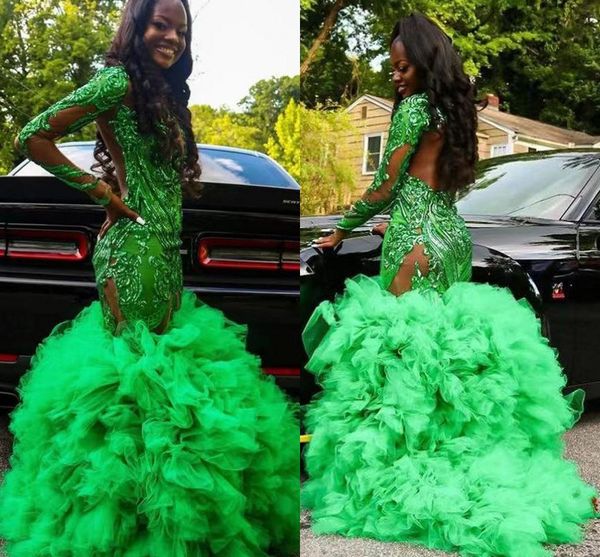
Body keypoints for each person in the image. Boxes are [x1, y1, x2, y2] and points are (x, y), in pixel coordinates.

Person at [0, 0, 298, 555]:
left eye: (180, 30)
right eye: (160, 24)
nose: (171, 37)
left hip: (163, 251)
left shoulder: (165, 92)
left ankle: (159, 523)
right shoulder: (116, 81)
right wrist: (102, 194)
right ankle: (121, 531)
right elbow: (35, 135)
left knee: (159, 382)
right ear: (135, 27)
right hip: (132, 249)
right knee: (138, 384)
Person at [302, 13, 598, 557]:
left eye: (402, 65)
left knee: (397, 354)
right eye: (391, 67)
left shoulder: (414, 109)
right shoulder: (453, 113)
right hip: (449, 236)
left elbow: (387, 185)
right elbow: (435, 184)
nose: (395, 76)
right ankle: (457, 448)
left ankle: (408, 468)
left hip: (412, 238)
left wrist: (338, 232)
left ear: (423, 62)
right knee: (443, 352)